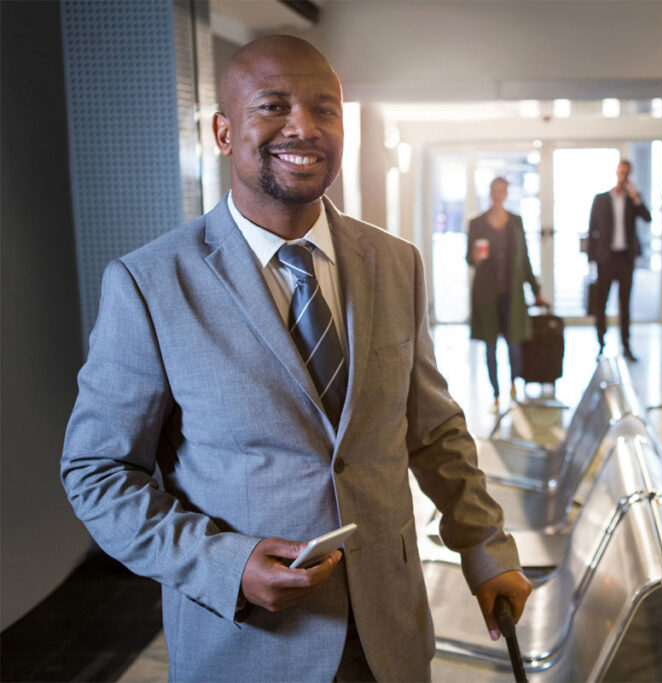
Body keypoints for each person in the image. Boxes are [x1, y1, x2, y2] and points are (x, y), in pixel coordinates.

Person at [60, 35, 531, 682]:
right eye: (274, 106)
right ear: (225, 131)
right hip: (249, 646)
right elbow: (98, 473)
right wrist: (226, 563)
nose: (303, 128)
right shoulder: (150, 284)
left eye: (325, 109)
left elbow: (434, 429)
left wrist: (483, 544)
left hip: (390, 635)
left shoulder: (395, 263)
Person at [466, 177, 548, 411]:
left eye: (502, 190)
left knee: (514, 344)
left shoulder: (515, 222)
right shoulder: (477, 223)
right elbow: (469, 259)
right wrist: (475, 257)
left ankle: (514, 387)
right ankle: (495, 393)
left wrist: (536, 291)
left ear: (506, 193)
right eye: (494, 190)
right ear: (490, 193)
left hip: (512, 294)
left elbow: (525, 260)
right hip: (487, 294)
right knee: (490, 345)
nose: (498, 194)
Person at [586, 159, 651, 362]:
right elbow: (592, 229)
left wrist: (636, 197)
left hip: (625, 259)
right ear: (617, 173)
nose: (623, 177)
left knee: (625, 305)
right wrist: (591, 259)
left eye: (627, 174)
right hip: (606, 259)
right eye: (621, 173)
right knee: (601, 304)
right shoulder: (601, 199)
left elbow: (647, 218)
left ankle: (626, 346)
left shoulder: (633, 200)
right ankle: (601, 345)